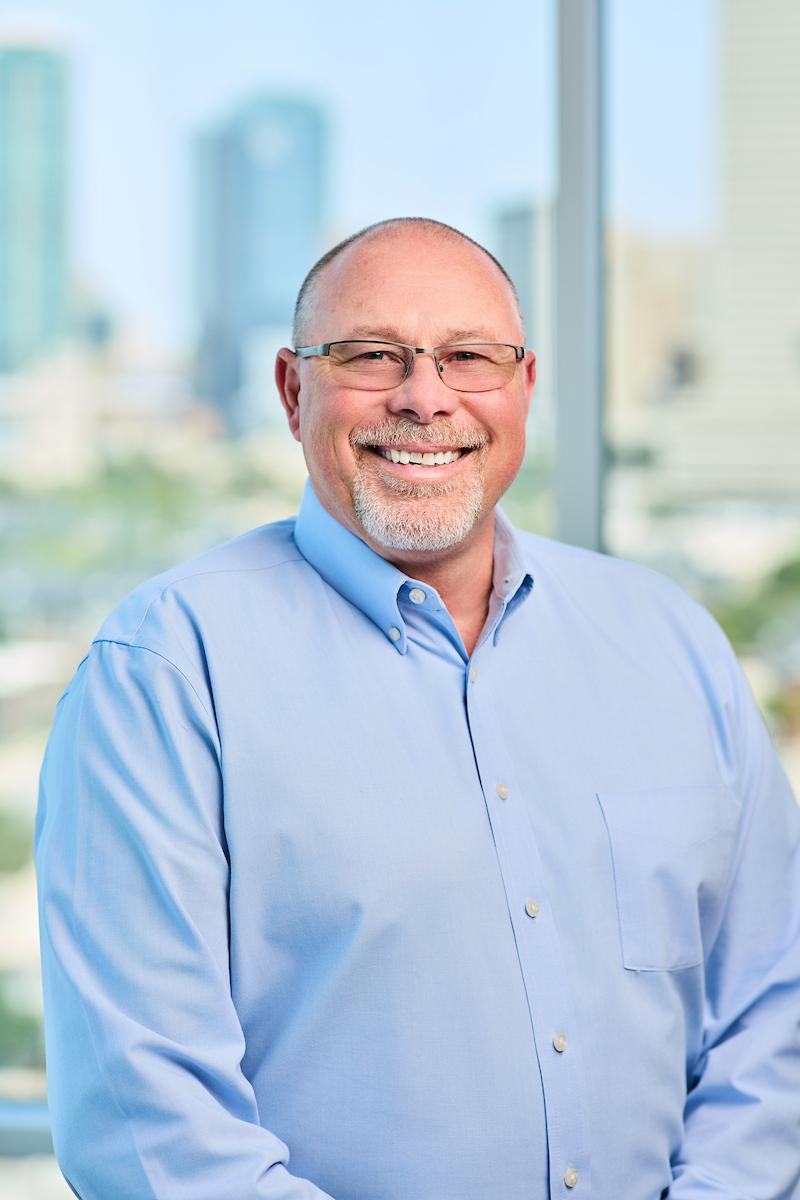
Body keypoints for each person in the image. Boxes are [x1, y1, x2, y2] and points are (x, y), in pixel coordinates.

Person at [35, 217, 800, 1200]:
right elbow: (145, 1119)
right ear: (290, 388)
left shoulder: (672, 643)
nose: (423, 398)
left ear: (522, 387)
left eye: (466, 357)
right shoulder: (166, 674)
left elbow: (775, 1006)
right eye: (371, 356)